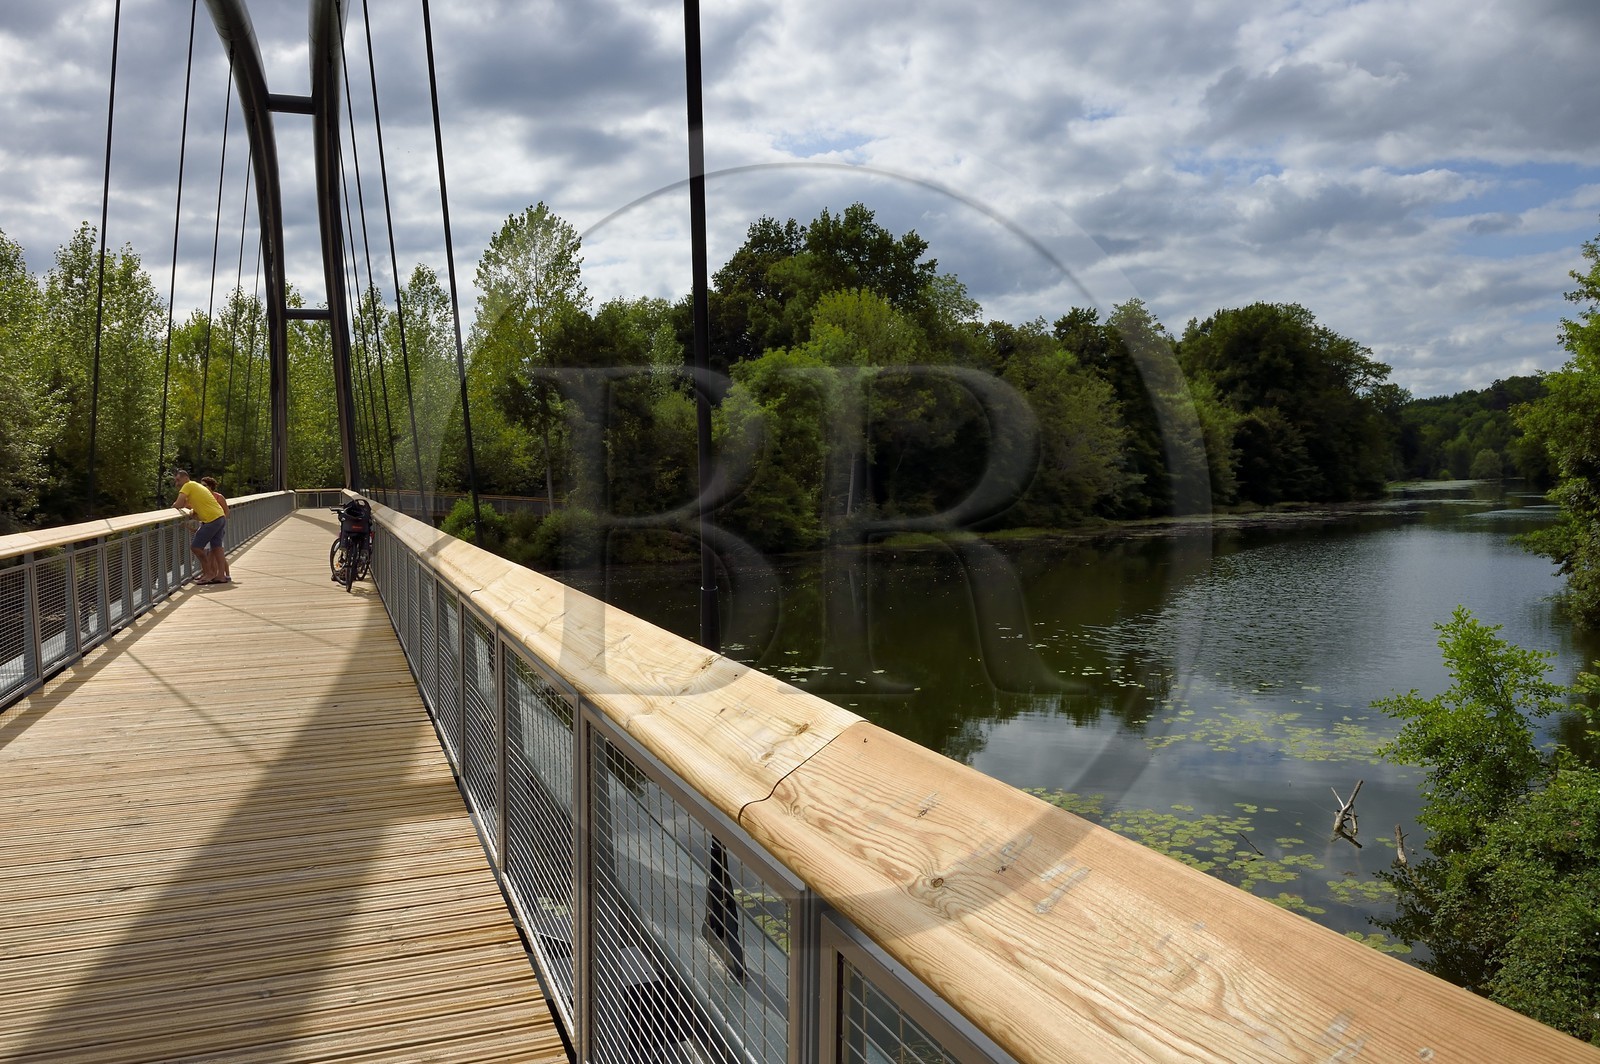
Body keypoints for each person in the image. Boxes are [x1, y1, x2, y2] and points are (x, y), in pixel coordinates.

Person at [172, 469, 228, 584]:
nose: (176, 483)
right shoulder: (195, 486)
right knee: (217, 547)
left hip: (211, 519)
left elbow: (178, 504)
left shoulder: (187, 485)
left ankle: (209, 573)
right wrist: (192, 510)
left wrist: (174, 505)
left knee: (196, 547)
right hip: (220, 517)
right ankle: (221, 576)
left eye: (178, 480)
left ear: (185, 478)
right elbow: (186, 504)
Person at [201, 476, 232, 582]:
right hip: (207, 525)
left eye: (204, 485)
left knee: (215, 551)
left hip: (217, 526)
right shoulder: (202, 497)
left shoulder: (218, 497)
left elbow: (227, 512)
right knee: (212, 550)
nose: (202, 487)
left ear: (210, 486)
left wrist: (221, 524)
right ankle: (214, 574)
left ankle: (220, 574)